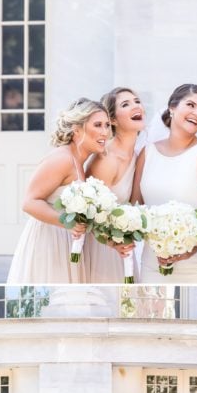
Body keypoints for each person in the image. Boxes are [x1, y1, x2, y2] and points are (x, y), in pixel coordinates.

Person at [132, 83, 197, 281]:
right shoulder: (147, 152)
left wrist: (189, 250)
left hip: (193, 267)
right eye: (191, 105)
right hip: (151, 264)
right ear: (172, 107)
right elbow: (135, 207)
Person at [7, 98, 110, 284]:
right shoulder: (62, 159)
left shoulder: (80, 161)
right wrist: (68, 224)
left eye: (107, 125)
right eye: (98, 125)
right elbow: (29, 202)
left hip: (66, 241)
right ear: (77, 130)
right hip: (49, 242)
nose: (105, 132)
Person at [85, 86, 146, 282]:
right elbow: (90, 214)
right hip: (102, 246)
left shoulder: (137, 155)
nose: (136, 106)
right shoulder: (107, 159)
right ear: (112, 120)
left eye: (137, 101)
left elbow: (135, 204)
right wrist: (113, 242)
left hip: (121, 243)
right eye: (125, 104)